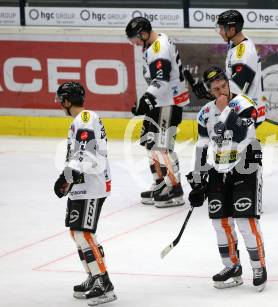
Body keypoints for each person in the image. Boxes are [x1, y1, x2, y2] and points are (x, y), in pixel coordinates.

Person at [187, 66, 267, 291]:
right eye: (215, 89)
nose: (220, 91)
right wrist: (197, 178)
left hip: (246, 167)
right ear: (209, 90)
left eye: (223, 86)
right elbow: (202, 144)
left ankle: (258, 266)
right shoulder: (204, 113)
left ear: (228, 83)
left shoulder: (245, 104)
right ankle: (231, 266)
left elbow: (241, 133)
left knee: (245, 221)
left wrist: (225, 111)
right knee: (219, 223)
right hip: (219, 169)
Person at [53, 82, 117, 306]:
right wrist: (68, 179)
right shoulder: (81, 120)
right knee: (77, 233)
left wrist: (67, 176)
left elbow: (86, 152)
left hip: (92, 185)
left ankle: (103, 281)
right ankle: (93, 275)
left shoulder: (86, 118)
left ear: (67, 101)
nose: (61, 105)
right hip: (82, 185)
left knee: (84, 234)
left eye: (62, 101)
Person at [125, 17, 189, 208]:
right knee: (151, 143)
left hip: (168, 102)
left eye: (135, 39)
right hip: (160, 102)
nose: (134, 43)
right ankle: (161, 184)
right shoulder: (155, 44)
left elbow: (162, 80)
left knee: (162, 147)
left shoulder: (159, 47)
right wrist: (147, 100)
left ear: (144, 34)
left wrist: (146, 99)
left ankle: (174, 189)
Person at [190, 10, 266, 127]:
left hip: (246, 111)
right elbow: (230, 78)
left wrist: (208, 89)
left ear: (232, 30)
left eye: (222, 28)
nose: (220, 32)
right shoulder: (235, 44)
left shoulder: (244, 52)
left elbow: (238, 86)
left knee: (228, 142)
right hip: (240, 106)